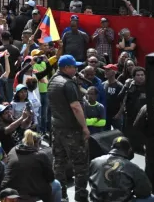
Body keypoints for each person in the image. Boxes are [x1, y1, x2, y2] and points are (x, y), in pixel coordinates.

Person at [49, 54, 91, 202]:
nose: (76, 69)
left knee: (59, 163)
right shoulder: (68, 84)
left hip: (57, 128)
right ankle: (80, 197)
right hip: (72, 130)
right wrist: (85, 127)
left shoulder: (52, 80)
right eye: (74, 67)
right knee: (80, 165)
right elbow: (75, 107)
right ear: (66, 68)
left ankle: (61, 196)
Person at [88, 136, 154, 202]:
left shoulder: (95, 161)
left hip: (97, 200)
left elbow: (86, 180)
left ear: (111, 147)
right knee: (152, 198)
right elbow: (145, 191)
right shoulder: (132, 167)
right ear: (129, 150)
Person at [2, 130, 61, 202]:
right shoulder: (41, 155)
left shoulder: (12, 150)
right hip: (30, 191)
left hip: (9, 188)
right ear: (37, 144)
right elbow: (50, 178)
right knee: (57, 184)